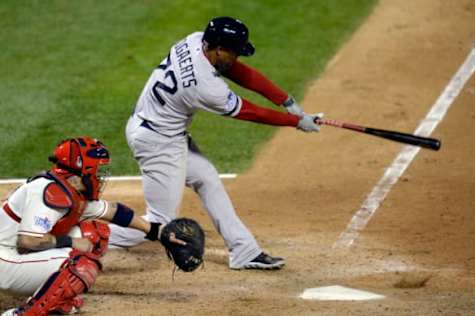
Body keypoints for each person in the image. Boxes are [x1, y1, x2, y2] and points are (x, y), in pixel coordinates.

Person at [108, 16, 322, 270]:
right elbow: (249, 112)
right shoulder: (205, 86)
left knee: (207, 178)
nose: (237, 58)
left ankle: (244, 250)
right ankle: (86, 237)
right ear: (219, 49)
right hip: (158, 142)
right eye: (234, 52)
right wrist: (294, 122)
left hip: (161, 130)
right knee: (160, 221)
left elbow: (239, 71)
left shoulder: (195, 40)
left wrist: (286, 101)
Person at [0, 137, 190, 316]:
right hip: (4, 261)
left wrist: (155, 231)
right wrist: (71, 242)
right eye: (97, 171)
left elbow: (114, 212)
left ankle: (56, 302)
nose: (99, 177)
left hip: (11, 252)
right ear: (82, 171)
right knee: (80, 263)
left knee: (95, 234)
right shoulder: (52, 193)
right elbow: (28, 241)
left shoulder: (67, 188)